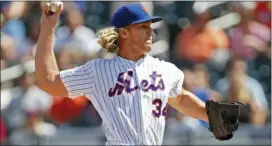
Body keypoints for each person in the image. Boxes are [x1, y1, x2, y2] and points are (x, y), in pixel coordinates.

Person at [36, 2, 209, 145]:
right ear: (124, 32)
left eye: (150, 26)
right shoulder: (98, 71)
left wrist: (215, 116)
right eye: (142, 26)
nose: (150, 31)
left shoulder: (165, 69)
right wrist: (48, 28)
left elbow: (179, 99)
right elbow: (48, 81)